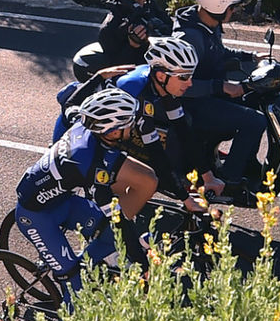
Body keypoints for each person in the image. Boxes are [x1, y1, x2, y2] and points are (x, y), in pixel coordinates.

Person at [15, 87, 160, 306]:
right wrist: (141, 264)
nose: (132, 127)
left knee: (109, 236)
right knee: (75, 285)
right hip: (36, 217)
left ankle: (87, 267)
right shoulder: (89, 164)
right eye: (128, 123)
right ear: (112, 131)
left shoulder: (85, 124)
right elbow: (117, 219)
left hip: (62, 202)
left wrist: (99, 77)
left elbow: (68, 105)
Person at [57, 36, 218, 206]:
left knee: (147, 171)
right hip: (78, 137)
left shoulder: (158, 82)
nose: (190, 83)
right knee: (145, 180)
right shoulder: (137, 93)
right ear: (161, 76)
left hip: (109, 132)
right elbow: (156, 153)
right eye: (184, 77)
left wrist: (208, 176)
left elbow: (183, 131)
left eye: (191, 75)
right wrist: (186, 199)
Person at [171, 0, 266, 204]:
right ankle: (229, 180)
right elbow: (179, 86)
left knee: (256, 99)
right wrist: (220, 86)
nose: (233, 11)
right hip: (192, 104)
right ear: (219, 7)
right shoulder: (189, 37)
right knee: (255, 121)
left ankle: (246, 164)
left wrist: (249, 56)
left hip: (208, 95)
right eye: (232, 7)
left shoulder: (206, 24)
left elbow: (217, 52)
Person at [70, 0, 173, 82]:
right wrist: (132, 45)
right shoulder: (112, 25)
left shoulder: (151, 7)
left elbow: (173, 30)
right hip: (134, 79)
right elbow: (116, 66)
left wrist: (159, 29)